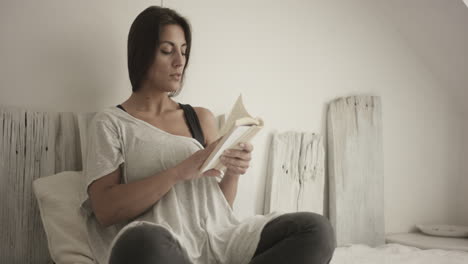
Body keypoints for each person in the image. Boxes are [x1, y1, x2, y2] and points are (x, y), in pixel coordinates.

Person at [80, 6, 336, 264]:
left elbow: (217, 206)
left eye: (184, 51)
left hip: (220, 241)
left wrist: (234, 171)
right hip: (166, 247)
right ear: (142, 55)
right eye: (167, 50)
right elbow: (105, 209)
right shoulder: (111, 123)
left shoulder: (200, 118)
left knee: (316, 230)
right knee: (140, 242)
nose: (179, 61)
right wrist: (179, 172)